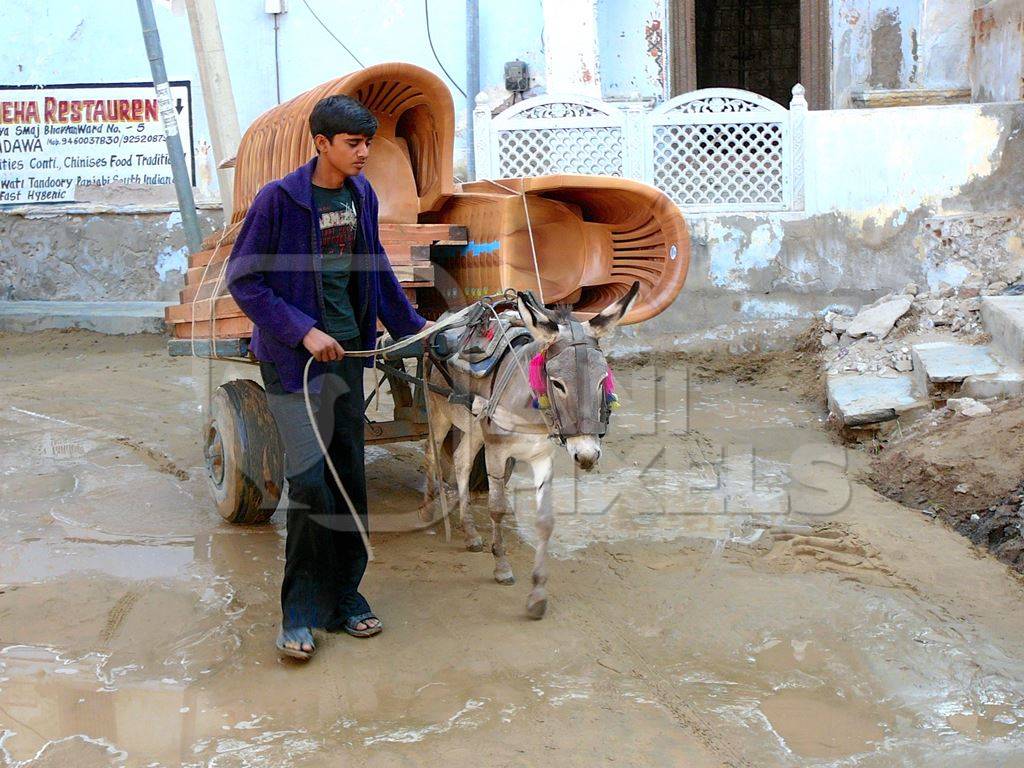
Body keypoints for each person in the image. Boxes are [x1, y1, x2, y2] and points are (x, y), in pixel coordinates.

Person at [226, 95, 429, 661]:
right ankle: (299, 611)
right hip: (296, 364)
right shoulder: (280, 201)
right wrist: (301, 330)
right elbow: (243, 280)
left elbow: (376, 268)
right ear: (322, 144)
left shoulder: (361, 194)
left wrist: (413, 325)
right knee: (311, 484)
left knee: (347, 478)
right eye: (352, 144)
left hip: (350, 357)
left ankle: (345, 597)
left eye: (367, 143)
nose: (364, 153)